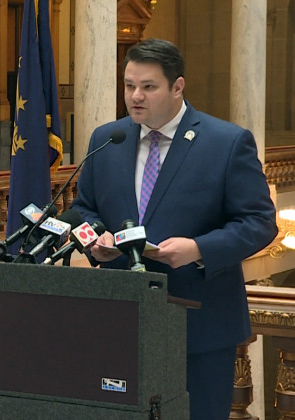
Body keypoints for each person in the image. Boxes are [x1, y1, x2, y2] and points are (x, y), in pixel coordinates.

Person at [69, 38, 277, 420]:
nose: (135, 96)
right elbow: (83, 208)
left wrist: (198, 249)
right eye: (129, 85)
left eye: (148, 87)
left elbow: (260, 222)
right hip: (120, 321)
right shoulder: (107, 139)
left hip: (198, 326)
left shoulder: (226, 143)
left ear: (177, 87)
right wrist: (94, 239)